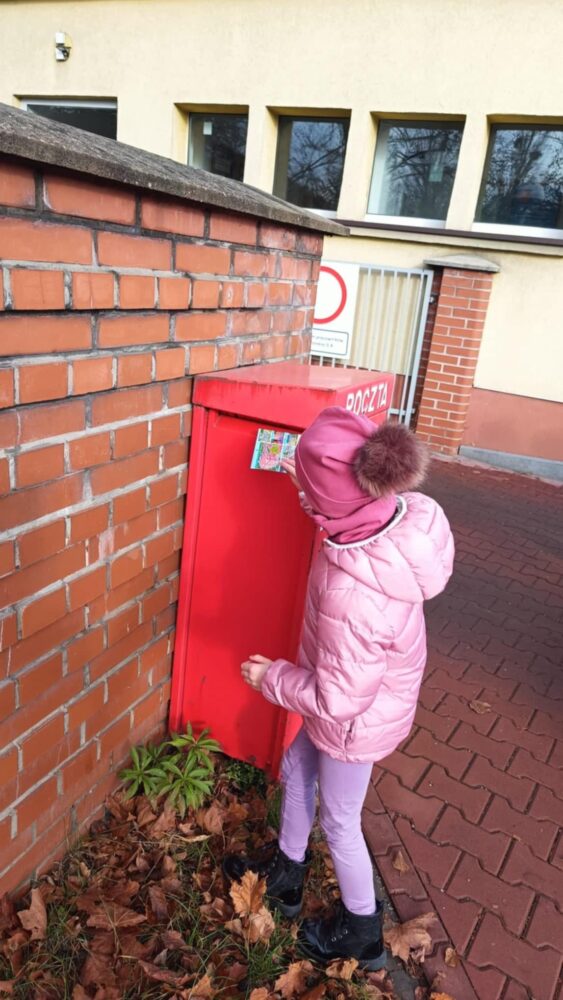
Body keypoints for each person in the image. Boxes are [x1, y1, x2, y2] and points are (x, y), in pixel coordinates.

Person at [223, 406, 454, 970]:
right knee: (298, 766)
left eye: (309, 492)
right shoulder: (387, 517)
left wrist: (271, 677)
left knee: (342, 821)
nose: (302, 497)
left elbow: (339, 697)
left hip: (354, 718)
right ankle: (286, 872)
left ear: (334, 506)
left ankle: (362, 931)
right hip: (353, 698)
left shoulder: (358, 591)